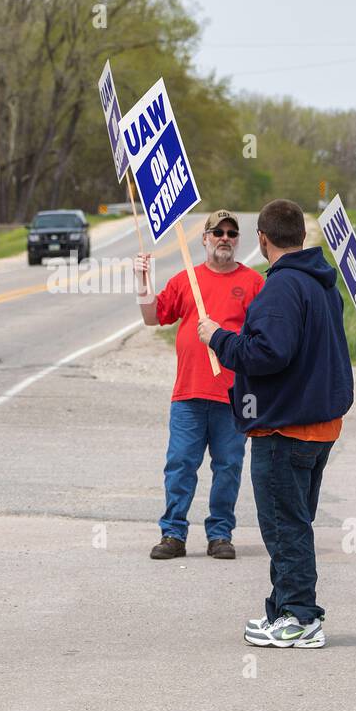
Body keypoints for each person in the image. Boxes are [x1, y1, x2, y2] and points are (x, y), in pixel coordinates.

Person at [197, 199, 353, 648]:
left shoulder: (282, 289)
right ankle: (283, 608)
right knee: (292, 522)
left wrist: (220, 339)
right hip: (315, 424)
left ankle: (302, 616)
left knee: (285, 526)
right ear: (301, 237)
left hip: (286, 427)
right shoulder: (321, 283)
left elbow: (269, 353)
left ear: (263, 239)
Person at [134, 210, 264, 561]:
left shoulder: (253, 284)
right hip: (188, 395)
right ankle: (173, 534)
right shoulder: (185, 280)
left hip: (233, 396)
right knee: (179, 464)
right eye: (217, 232)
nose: (224, 238)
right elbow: (152, 317)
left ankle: (220, 534)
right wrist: (142, 280)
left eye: (231, 233)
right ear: (204, 239)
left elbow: (263, 339)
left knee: (228, 466)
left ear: (238, 240)